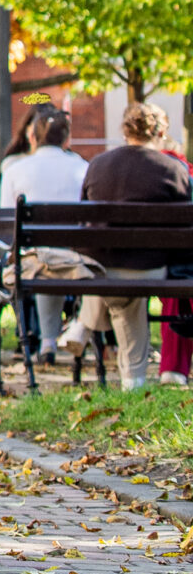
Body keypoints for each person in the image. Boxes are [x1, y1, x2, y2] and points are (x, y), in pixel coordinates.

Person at [58, 103, 193, 389]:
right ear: (159, 132)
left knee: (114, 284)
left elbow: (86, 221)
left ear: (125, 130)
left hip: (100, 268)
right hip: (148, 269)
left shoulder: (98, 164)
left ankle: (82, 325)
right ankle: (134, 382)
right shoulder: (174, 169)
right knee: (127, 291)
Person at [0, 106, 90, 360]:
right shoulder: (82, 168)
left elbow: (8, 220)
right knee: (56, 257)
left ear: (33, 136)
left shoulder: (15, 170)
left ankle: (47, 341)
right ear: (67, 138)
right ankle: (53, 338)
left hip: (31, 259)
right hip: (73, 258)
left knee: (43, 260)